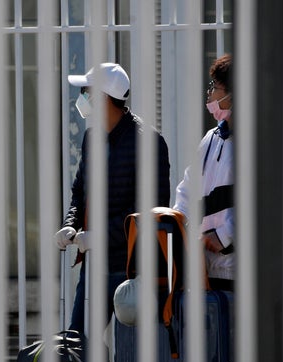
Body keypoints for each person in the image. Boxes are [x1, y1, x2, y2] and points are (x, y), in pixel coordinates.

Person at [54, 62, 171, 335]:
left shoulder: (148, 141)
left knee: (132, 351)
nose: (81, 97)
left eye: (86, 90)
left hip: (133, 268)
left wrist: (98, 236)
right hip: (95, 266)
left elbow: (150, 209)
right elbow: (79, 191)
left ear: (103, 97)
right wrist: (70, 224)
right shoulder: (91, 137)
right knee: (78, 342)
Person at [172, 53, 234, 291]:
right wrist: (178, 225)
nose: (209, 94)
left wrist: (223, 237)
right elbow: (187, 191)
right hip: (206, 269)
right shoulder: (211, 139)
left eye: (214, 87)